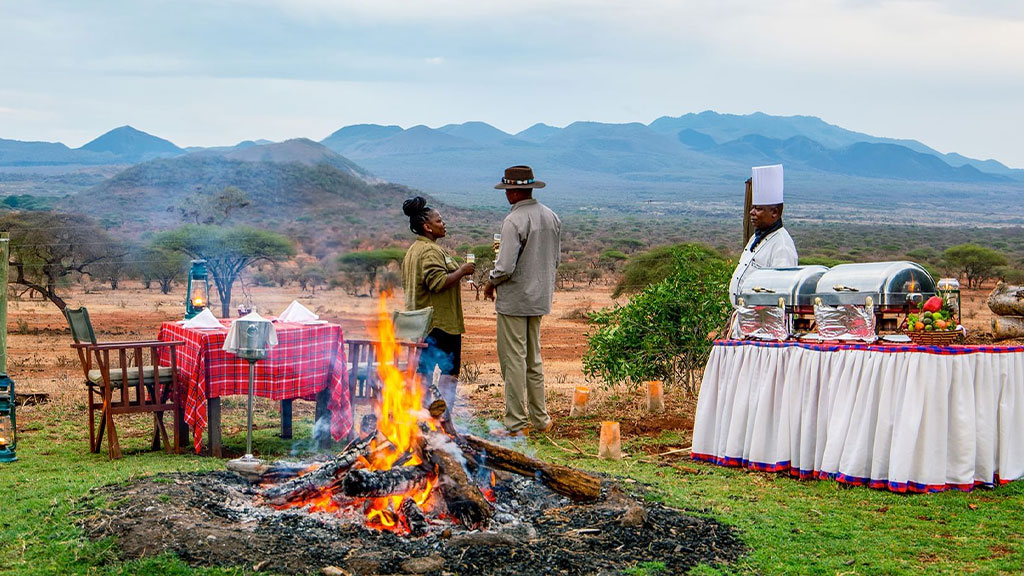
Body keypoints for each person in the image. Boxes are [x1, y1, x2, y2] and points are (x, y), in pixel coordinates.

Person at [484, 166, 561, 436]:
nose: (506, 195)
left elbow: (504, 266)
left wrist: (491, 282)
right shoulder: (551, 216)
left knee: (513, 360)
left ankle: (515, 424)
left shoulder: (513, 221)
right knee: (534, 358)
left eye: (507, 191)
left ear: (514, 191)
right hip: (539, 298)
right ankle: (541, 419)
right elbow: (556, 261)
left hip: (515, 300)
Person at [401, 196, 475, 407]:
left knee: (423, 371)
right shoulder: (430, 251)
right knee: (449, 371)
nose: (443, 224)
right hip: (440, 324)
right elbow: (437, 282)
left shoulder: (415, 250)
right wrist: (462, 271)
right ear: (427, 227)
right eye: (439, 221)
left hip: (421, 322)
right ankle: (443, 417)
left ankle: (422, 416)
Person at [728, 164, 799, 304]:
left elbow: (780, 295)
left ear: (774, 212)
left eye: (758, 209)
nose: (752, 212)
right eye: (753, 207)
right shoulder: (756, 238)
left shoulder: (782, 246)